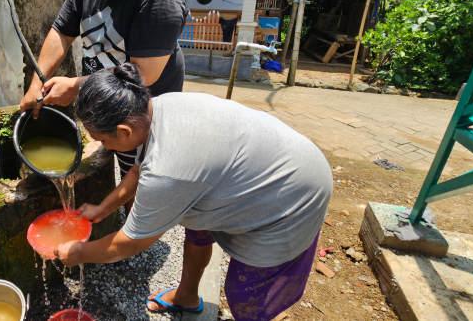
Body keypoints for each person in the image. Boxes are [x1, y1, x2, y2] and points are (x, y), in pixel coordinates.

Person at [55, 63, 333, 320]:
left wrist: (78, 252)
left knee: (246, 292)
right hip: (267, 161)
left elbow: (130, 243)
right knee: (197, 228)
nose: (103, 145)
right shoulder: (155, 107)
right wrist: (103, 209)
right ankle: (186, 296)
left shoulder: (167, 170)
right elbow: (138, 171)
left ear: (124, 132)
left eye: (102, 139)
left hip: (294, 195)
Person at [19, 0, 188, 182]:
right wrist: (37, 82)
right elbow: (62, 31)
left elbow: (142, 74)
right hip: (105, 104)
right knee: (117, 170)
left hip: (143, 115)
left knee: (142, 181)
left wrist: (75, 86)